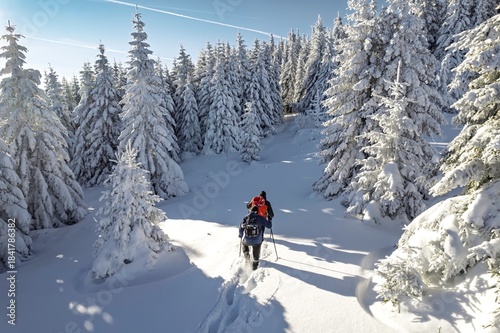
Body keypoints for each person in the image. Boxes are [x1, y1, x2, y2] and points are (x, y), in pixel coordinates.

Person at [239, 206, 272, 270]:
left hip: (247, 240)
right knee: (256, 256)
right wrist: (269, 219)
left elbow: (241, 227)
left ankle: (247, 257)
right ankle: (254, 267)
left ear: (250, 211)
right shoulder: (260, 218)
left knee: (244, 244)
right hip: (257, 241)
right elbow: (269, 226)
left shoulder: (246, 218)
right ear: (257, 212)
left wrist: (240, 235)